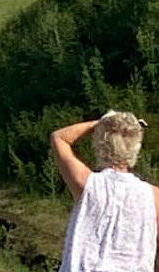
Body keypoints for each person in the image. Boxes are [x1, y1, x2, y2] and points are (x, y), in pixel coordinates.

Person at [51, 111, 158, 272]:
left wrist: (98, 124)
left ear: (100, 145)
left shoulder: (87, 184)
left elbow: (59, 138)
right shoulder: (154, 197)